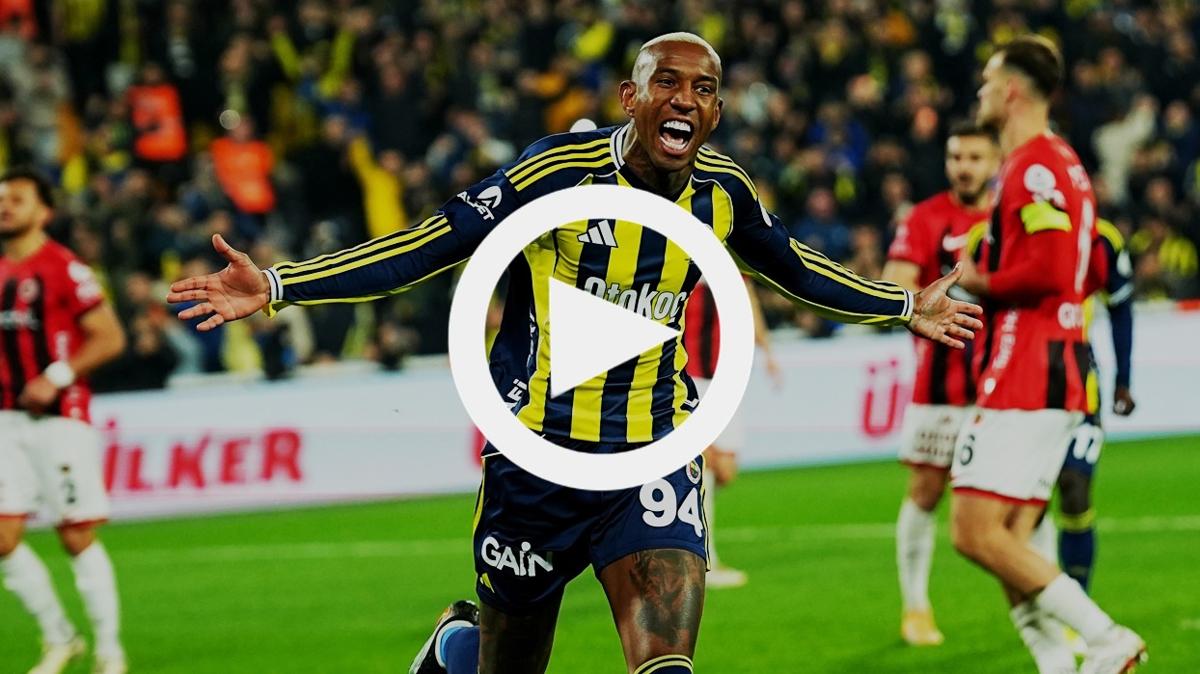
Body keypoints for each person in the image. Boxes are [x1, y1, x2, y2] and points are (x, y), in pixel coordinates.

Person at [167, 33, 982, 674]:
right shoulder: (559, 173)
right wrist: (278, 284)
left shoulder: (723, 192)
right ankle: (455, 651)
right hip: (537, 461)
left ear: (716, 112)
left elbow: (794, 266)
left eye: (704, 89)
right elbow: (429, 243)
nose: (685, 100)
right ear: (630, 97)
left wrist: (904, 303)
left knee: (668, 665)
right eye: (667, 82)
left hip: (653, 451)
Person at [954, 36, 1146, 674]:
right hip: (1054, 364)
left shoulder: (1035, 166)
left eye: (988, 80)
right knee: (1014, 540)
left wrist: (978, 279)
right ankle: (1059, 665)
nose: (981, 91)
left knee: (974, 532)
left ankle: (1108, 637)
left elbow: (1054, 268)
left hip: (1029, 365)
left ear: (1011, 91)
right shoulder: (1056, 162)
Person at [0, 168, 128, 674]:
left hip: (59, 418)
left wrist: (56, 376)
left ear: (44, 211)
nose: (5, 206)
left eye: (17, 198)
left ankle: (109, 650)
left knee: (75, 535)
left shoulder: (64, 267)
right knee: (2, 539)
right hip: (4, 418)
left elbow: (109, 336)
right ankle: (60, 637)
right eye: (1, 198)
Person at [882, 121, 999, 646]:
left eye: (975, 157)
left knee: (1023, 500)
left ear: (995, 163)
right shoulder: (926, 217)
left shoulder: (1010, 217)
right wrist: (929, 297)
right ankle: (915, 607)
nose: (964, 167)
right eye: (956, 157)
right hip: (940, 385)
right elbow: (894, 281)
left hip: (1005, 383)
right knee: (926, 493)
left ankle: (1043, 606)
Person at [1028, 216, 1137, 649]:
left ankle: (1078, 609)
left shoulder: (1102, 239)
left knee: (1075, 489)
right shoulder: (1001, 230)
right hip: (1020, 391)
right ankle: (1041, 607)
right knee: (1026, 508)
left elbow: (1121, 304)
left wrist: (1124, 378)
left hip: (1078, 390)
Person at [682, 276, 781, 590]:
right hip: (692, 376)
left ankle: (681, 524)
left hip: (727, 378)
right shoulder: (691, 260)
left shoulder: (735, 264)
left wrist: (766, 349)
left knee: (725, 471)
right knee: (704, 467)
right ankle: (704, 561)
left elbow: (749, 302)